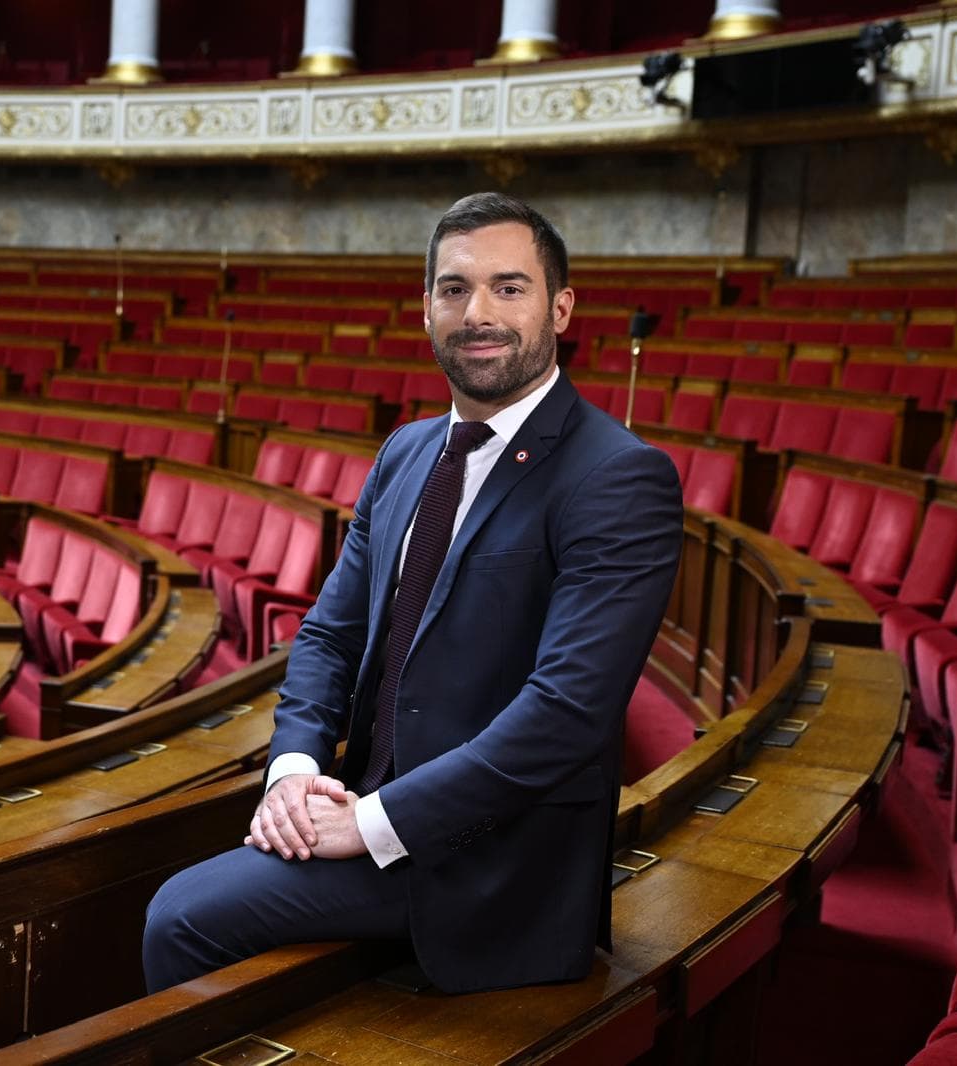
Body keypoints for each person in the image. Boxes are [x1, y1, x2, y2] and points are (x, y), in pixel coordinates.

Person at [142, 192, 685, 995]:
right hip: (366, 811)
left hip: (491, 866)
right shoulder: (408, 450)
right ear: (427, 308)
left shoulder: (615, 475)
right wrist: (292, 772)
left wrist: (363, 826)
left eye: (510, 287)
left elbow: (566, 716)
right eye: (454, 289)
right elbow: (329, 636)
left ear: (561, 307)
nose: (479, 313)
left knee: (179, 915)